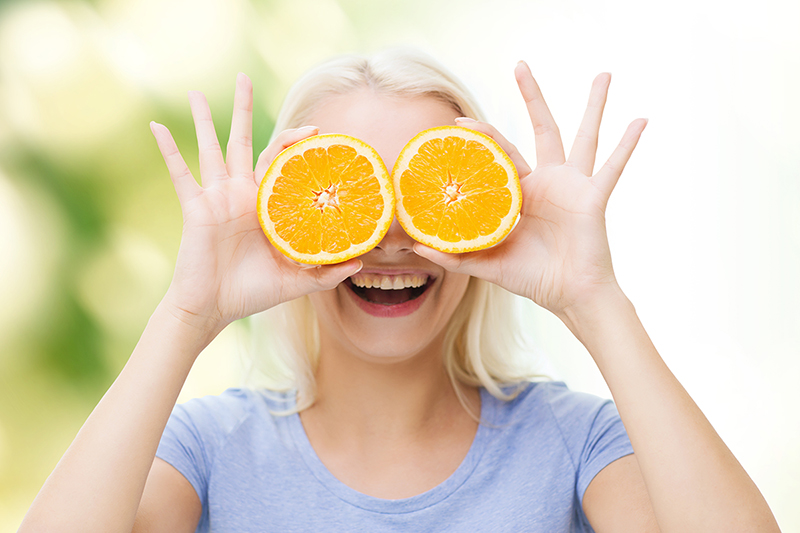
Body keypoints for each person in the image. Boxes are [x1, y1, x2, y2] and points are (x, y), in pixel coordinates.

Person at [19, 49, 780, 532]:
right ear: (285, 215)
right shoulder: (209, 448)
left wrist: (595, 301)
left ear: (488, 214)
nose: (387, 237)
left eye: (425, 192)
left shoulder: (576, 443)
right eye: (350, 192)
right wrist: (188, 314)